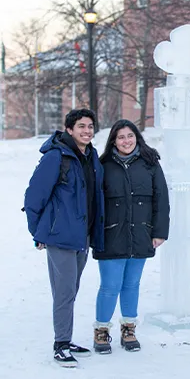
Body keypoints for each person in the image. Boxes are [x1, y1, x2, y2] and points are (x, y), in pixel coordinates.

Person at [24, 109, 104, 368]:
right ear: (69, 129)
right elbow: (34, 196)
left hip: (82, 235)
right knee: (65, 292)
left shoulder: (91, 156)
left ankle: (66, 339)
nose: (87, 131)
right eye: (81, 126)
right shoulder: (57, 157)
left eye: (90, 126)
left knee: (71, 290)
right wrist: (39, 232)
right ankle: (61, 344)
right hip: (60, 237)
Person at [92, 119, 170, 354]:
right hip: (111, 234)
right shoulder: (103, 164)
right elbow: (94, 203)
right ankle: (102, 331)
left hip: (141, 233)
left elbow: (161, 199)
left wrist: (159, 231)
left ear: (137, 137)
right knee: (109, 286)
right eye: (121, 137)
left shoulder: (150, 163)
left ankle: (128, 329)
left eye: (130, 136)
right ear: (113, 141)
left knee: (132, 285)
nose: (126, 141)